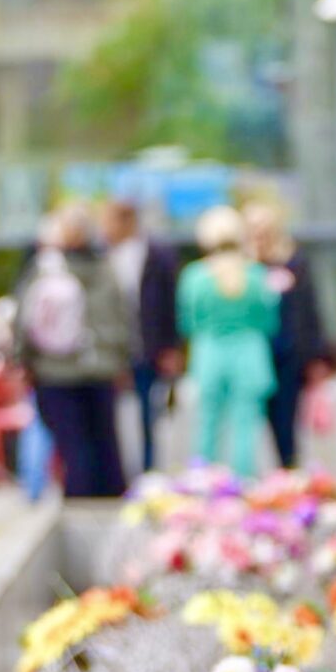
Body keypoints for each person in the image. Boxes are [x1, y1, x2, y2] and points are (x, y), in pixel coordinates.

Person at [14, 202, 135, 500]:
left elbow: (23, 321)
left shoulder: (43, 269)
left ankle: (77, 505)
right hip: (100, 368)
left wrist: (23, 362)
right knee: (105, 444)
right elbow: (122, 318)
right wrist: (121, 361)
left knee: (73, 447)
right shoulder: (106, 268)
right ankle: (108, 507)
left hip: (54, 370)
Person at [177, 206, 279, 477]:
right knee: (245, 425)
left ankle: (202, 483)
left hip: (209, 353)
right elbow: (269, 321)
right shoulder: (256, 275)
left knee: (207, 424)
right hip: (249, 353)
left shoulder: (195, 277)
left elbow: (189, 322)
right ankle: (243, 484)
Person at [244, 202, 328, 470]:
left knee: (285, 420)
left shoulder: (294, 262)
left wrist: (316, 355)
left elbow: (309, 309)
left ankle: (287, 471)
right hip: (253, 353)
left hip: (287, 354)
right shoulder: (242, 270)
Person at [102, 198, 182, 473]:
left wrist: (171, 348)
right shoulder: (104, 256)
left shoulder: (158, 255)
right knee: (115, 417)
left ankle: (149, 470)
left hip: (149, 347)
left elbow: (170, 304)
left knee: (150, 414)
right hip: (115, 352)